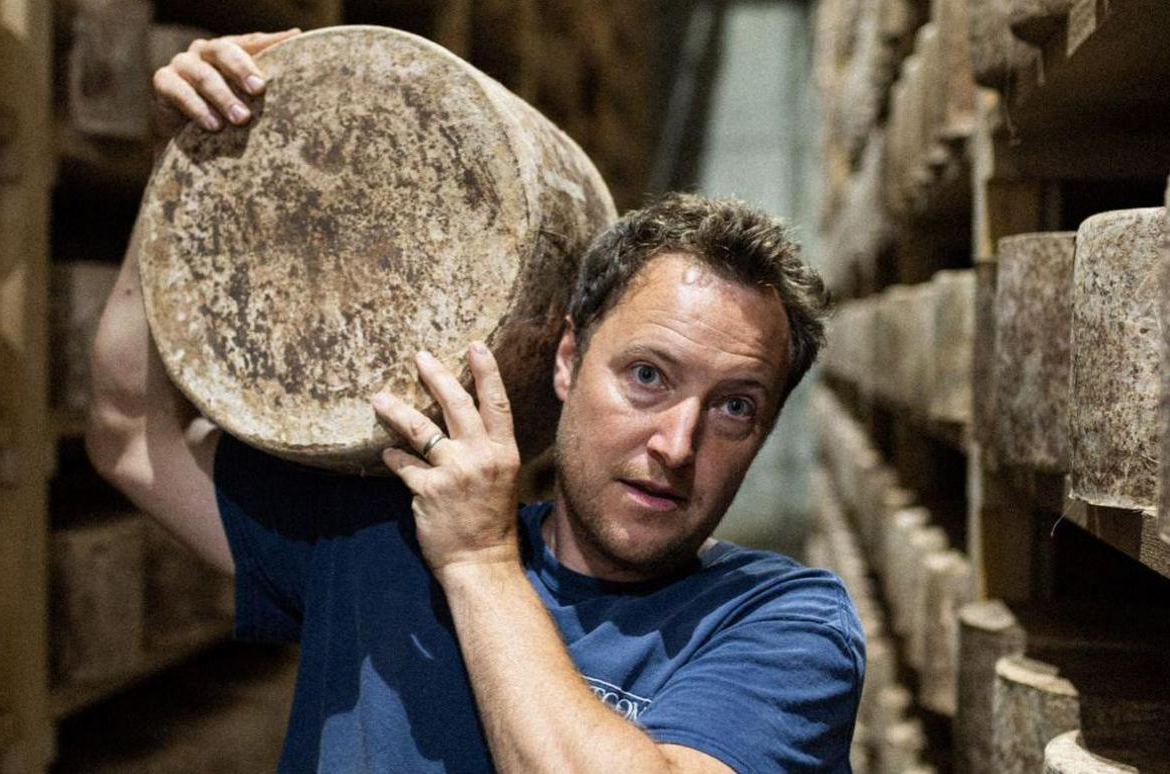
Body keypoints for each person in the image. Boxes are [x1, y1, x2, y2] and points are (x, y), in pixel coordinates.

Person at [88, 29, 863, 773]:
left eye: (734, 408)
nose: (677, 444)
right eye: (648, 377)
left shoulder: (781, 627)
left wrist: (480, 560)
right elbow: (127, 431)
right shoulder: (380, 542)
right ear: (568, 360)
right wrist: (184, 168)